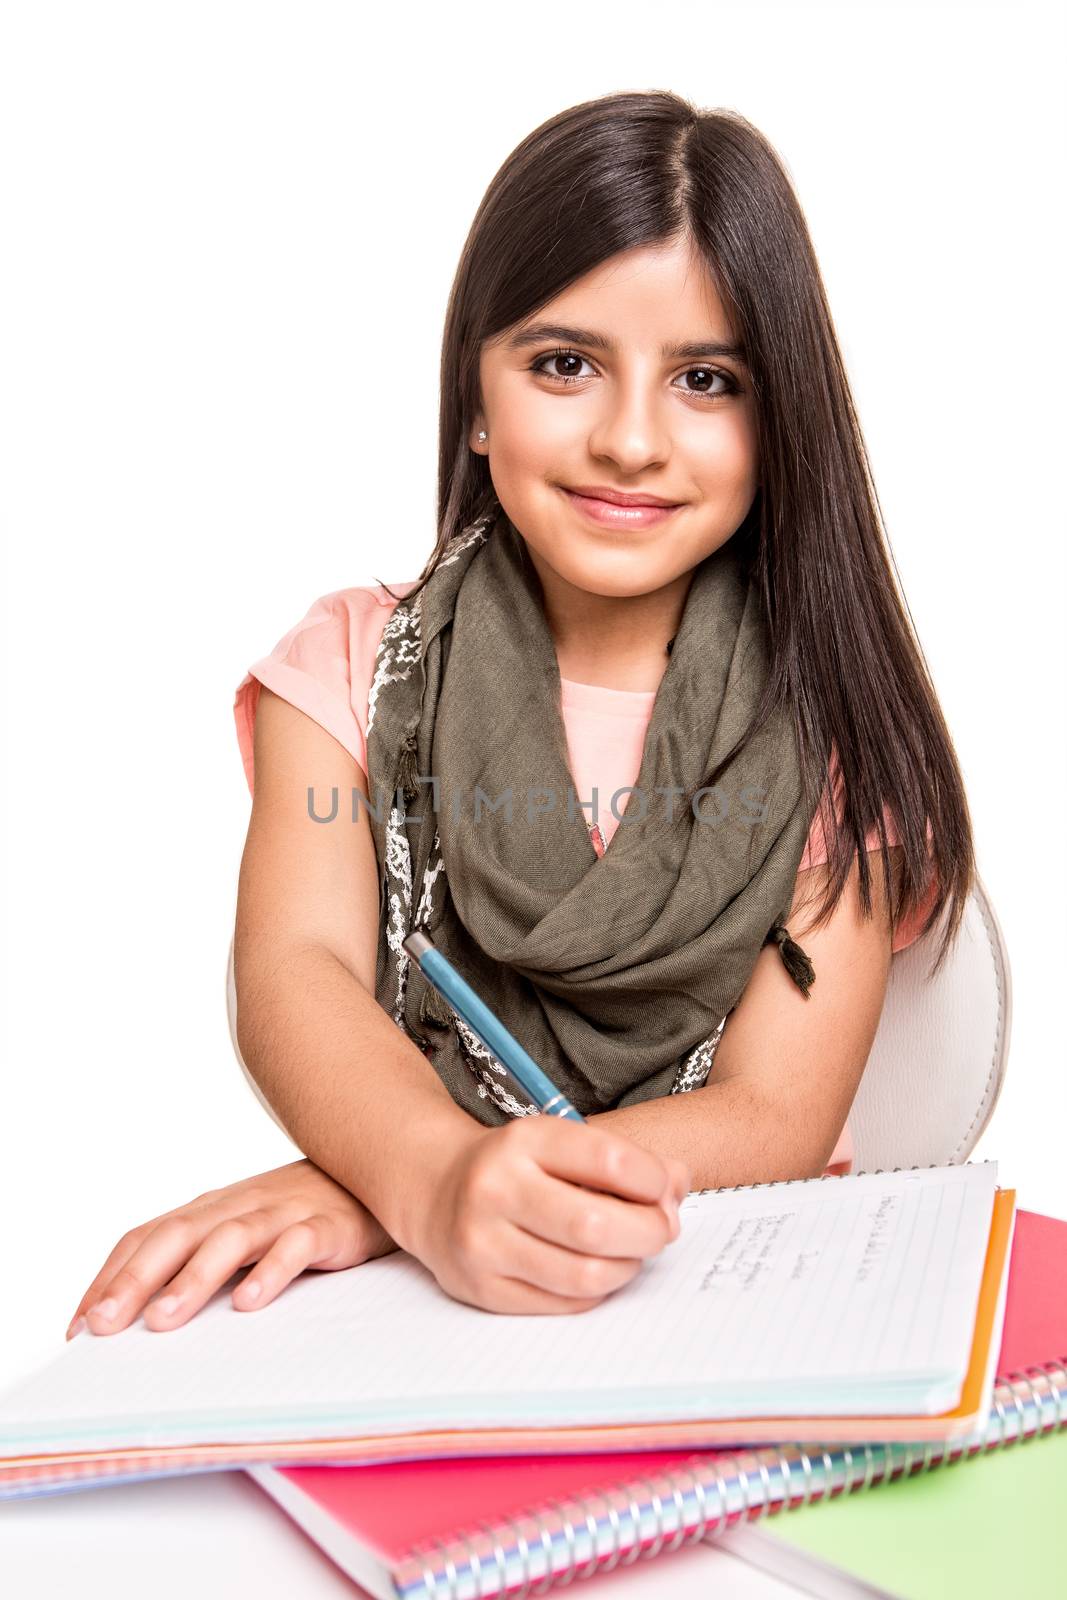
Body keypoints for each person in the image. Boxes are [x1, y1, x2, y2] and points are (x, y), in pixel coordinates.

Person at [66, 91, 967, 1344]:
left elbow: (774, 1116)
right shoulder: (345, 667)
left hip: (739, 1288)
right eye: (563, 364)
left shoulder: (834, 723)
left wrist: (397, 1189)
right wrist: (431, 1183)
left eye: (705, 380)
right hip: (424, 1321)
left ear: (777, 428)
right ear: (476, 400)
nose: (631, 438)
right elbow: (296, 973)